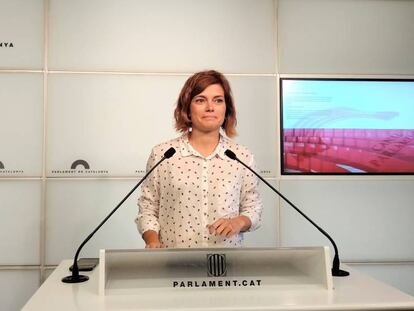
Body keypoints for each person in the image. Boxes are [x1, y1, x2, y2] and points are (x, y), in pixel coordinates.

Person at [135, 70, 262, 248]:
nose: (210, 107)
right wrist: (152, 241)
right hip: (174, 264)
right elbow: (148, 208)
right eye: (200, 100)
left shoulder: (242, 156)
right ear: (187, 108)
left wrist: (238, 222)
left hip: (226, 265)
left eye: (218, 100)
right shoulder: (163, 155)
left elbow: (253, 208)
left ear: (227, 109)